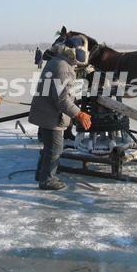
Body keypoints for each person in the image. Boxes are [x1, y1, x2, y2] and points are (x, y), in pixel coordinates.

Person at [29, 37, 92, 190]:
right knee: (55, 148)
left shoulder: (60, 62)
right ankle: (47, 180)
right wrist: (79, 114)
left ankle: (41, 174)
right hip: (51, 115)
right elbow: (62, 99)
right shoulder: (62, 68)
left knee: (49, 147)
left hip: (46, 113)